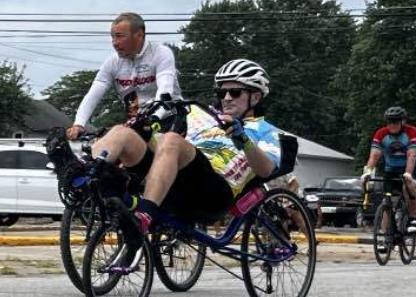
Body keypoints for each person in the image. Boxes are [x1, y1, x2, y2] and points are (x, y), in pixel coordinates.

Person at [97, 58, 281, 229]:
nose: (226, 98)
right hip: (175, 180)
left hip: (215, 193)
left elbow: (266, 169)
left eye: (234, 92)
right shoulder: (201, 115)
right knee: (123, 133)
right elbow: (165, 148)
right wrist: (146, 130)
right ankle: (83, 174)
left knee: (171, 140)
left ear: (255, 97)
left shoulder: (265, 129)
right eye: (221, 92)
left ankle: (145, 214)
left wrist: (244, 140)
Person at [67, 12, 180, 140]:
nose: (115, 43)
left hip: (170, 119)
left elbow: (165, 89)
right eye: (113, 37)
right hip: (138, 125)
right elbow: (94, 93)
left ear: (139, 35)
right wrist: (79, 124)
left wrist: (153, 117)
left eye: (120, 37)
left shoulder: (161, 53)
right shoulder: (112, 62)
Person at [365, 106, 416, 229]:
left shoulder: (411, 131)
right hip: (390, 169)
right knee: (387, 202)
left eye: (396, 122)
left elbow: (411, 155)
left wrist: (408, 173)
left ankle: (413, 217)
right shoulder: (381, 133)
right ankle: (385, 237)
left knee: (407, 187)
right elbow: (374, 155)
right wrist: (368, 171)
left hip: (410, 167)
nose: (392, 125)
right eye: (389, 122)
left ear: (403, 121)